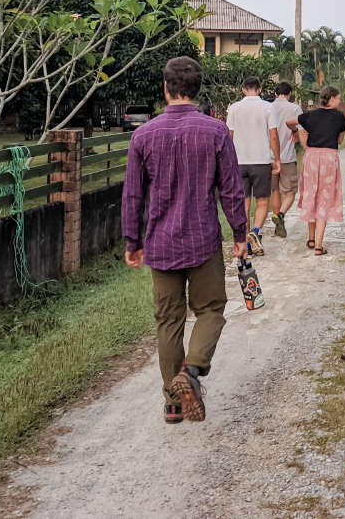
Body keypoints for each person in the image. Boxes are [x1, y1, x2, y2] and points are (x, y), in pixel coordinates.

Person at [122, 56, 249, 424]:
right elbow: (231, 189)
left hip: (161, 244)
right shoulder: (215, 132)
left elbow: (132, 195)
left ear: (166, 88)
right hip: (203, 239)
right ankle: (191, 371)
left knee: (168, 320)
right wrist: (240, 233)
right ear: (197, 89)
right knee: (210, 310)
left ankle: (173, 403)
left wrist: (132, 241)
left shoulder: (143, 135)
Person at [226, 77, 280, 256]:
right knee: (263, 201)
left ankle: (247, 243)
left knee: (244, 204)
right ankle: (254, 233)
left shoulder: (234, 108)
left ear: (243, 89)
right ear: (260, 89)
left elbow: (229, 135)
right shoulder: (268, 107)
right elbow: (273, 135)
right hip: (261, 160)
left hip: (239, 161)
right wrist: (277, 159)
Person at [289, 85, 345, 255]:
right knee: (324, 198)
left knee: (311, 194)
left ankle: (311, 238)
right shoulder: (339, 117)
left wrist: (296, 132)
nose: (340, 101)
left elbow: (289, 122)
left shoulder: (310, 115)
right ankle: (319, 246)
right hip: (329, 157)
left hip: (311, 157)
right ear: (332, 99)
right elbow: (340, 140)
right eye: (338, 98)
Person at [269, 81, 303, 238]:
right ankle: (280, 214)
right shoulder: (294, 108)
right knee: (290, 192)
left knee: (275, 190)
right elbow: (301, 131)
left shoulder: (268, 107)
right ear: (289, 94)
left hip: (269, 157)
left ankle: (278, 226)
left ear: (276, 94)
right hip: (287, 156)